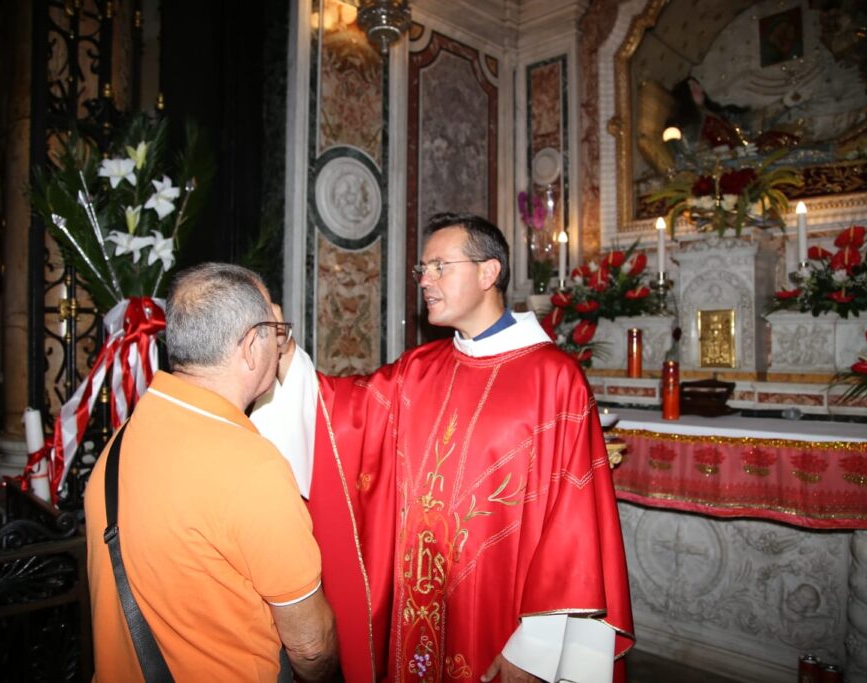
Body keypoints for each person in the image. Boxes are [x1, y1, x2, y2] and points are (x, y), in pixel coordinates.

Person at [252, 213, 634, 681]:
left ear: (489, 272)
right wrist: (286, 351)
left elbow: (571, 526)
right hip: (418, 601)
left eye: (439, 267)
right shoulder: (419, 367)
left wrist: (536, 650)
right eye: (421, 270)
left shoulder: (552, 379)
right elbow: (344, 415)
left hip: (502, 617)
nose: (424, 282)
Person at [84, 263, 338, 682]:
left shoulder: (123, 440)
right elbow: (311, 645)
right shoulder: (252, 469)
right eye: (275, 333)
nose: (280, 346)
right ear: (252, 346)